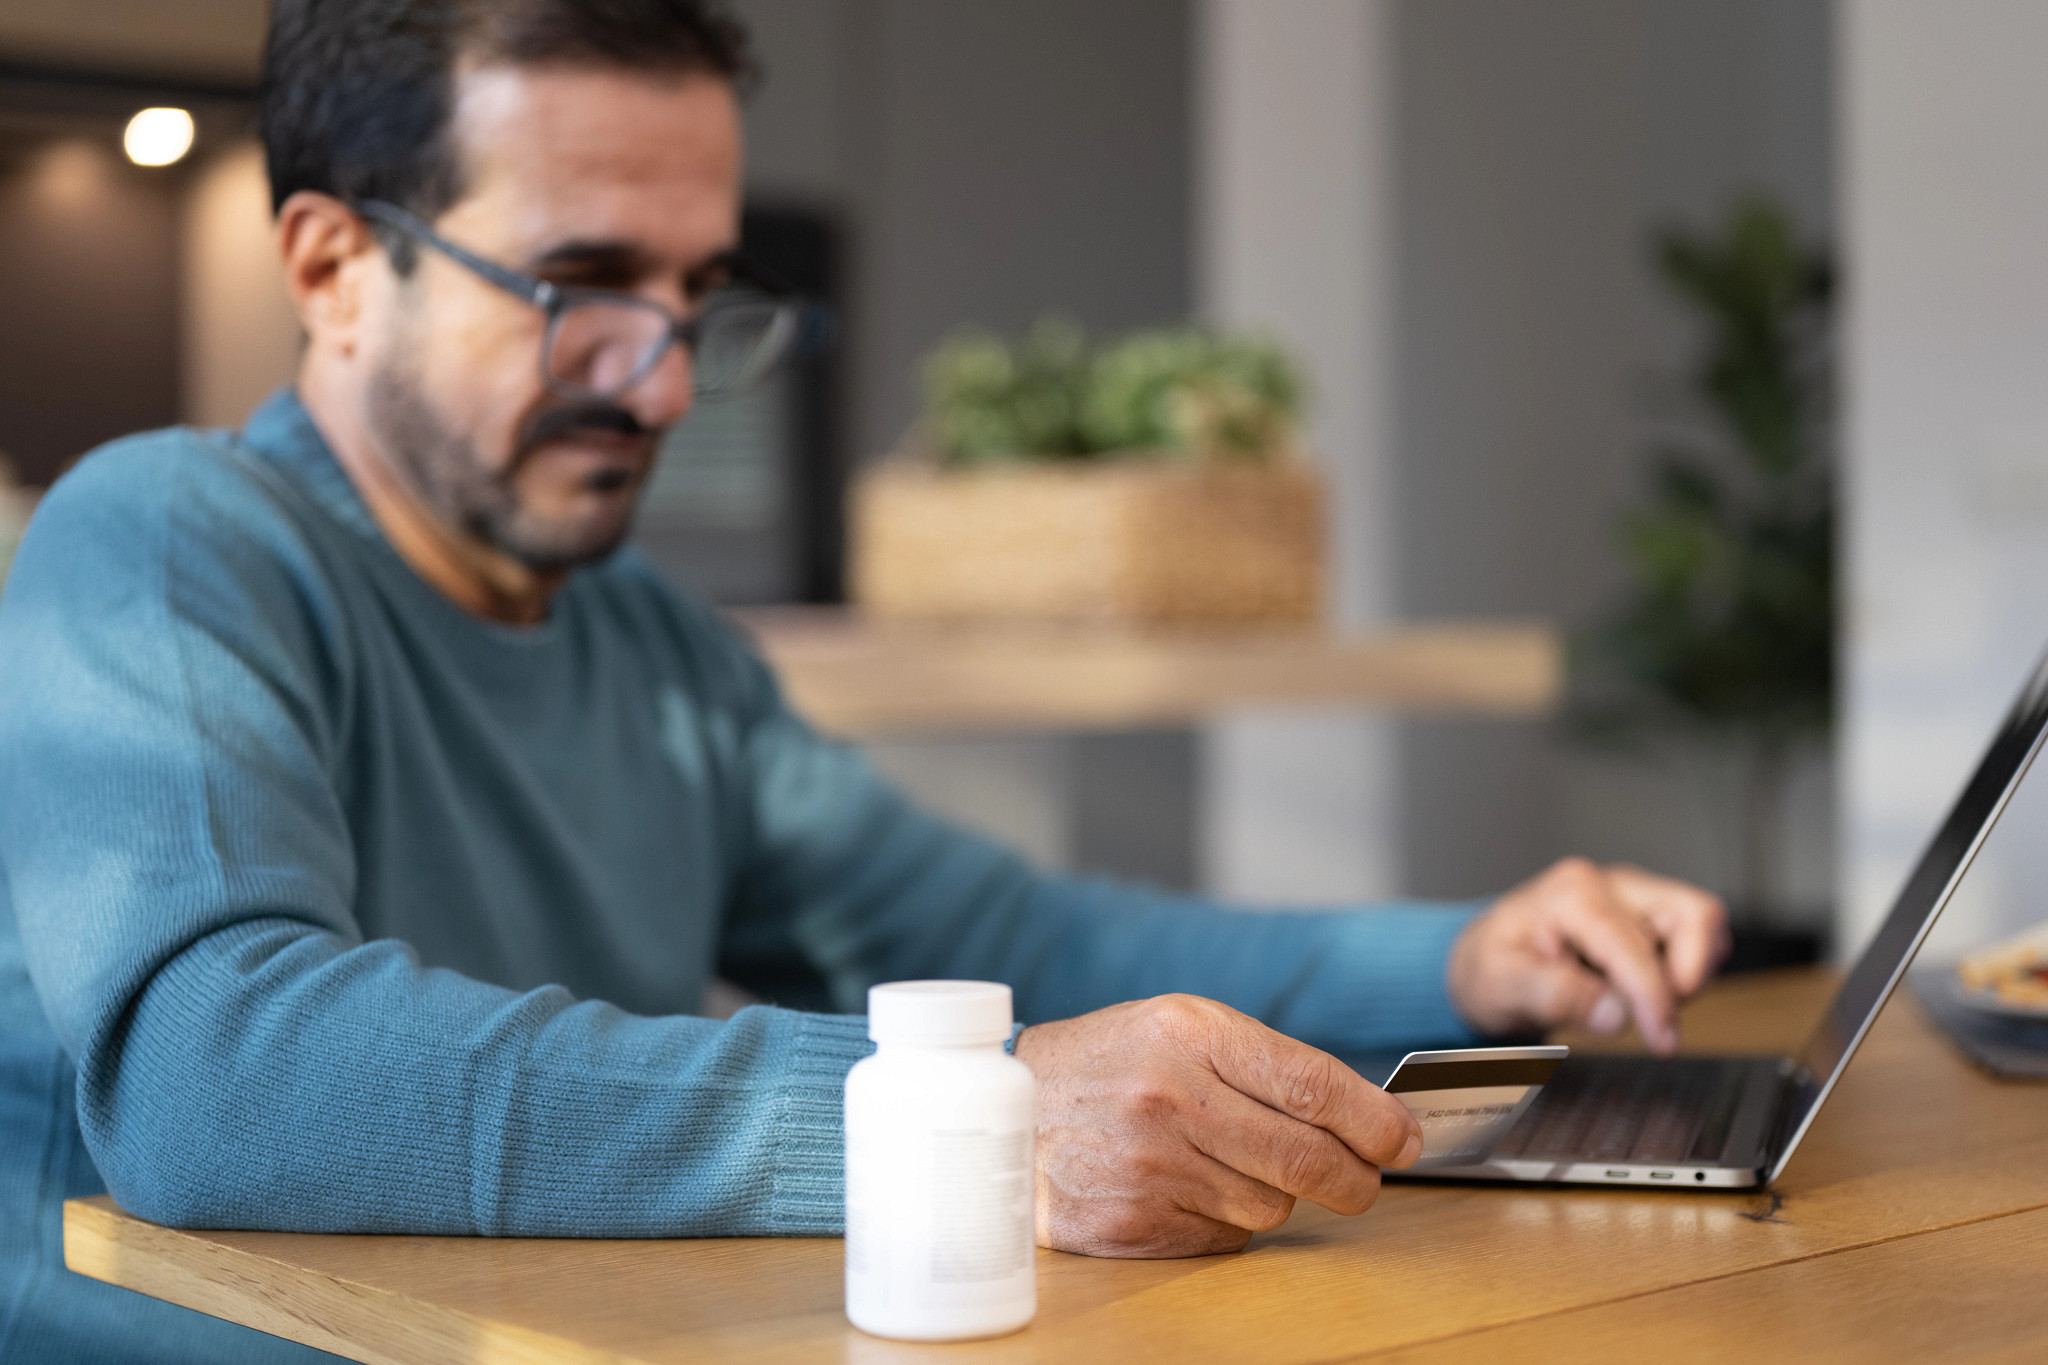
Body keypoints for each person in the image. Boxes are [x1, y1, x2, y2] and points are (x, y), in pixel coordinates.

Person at [0, 2, 1727, 1360]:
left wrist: (1460, 956)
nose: (667, 385)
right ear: (329, 268)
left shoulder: (654, 654)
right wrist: (949, 1124)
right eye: (583, 287)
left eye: (698, 298)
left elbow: (1021, 953)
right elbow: (212, 1074)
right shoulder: (164, 541)